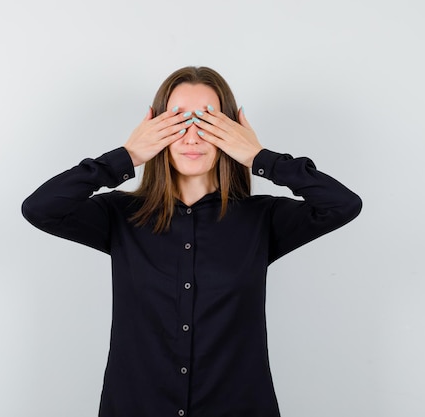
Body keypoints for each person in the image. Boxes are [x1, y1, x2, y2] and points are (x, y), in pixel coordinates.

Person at [22, 66, 362, 417]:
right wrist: (127, 156)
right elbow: (40, 209)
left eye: (207, 121)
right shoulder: (120, 215)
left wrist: (259, 158)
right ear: (156, 127)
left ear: (230, 131)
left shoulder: (262, 218)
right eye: (178, 120)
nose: (192, 137)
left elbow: (342, 204)